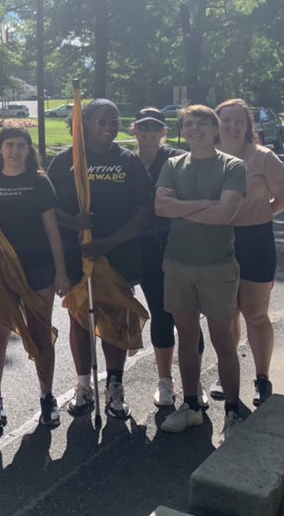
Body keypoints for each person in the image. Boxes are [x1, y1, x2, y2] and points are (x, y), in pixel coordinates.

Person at [47, 99, 151, 420]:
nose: (109, 125)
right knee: (80, 320)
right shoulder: (65, 161)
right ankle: (83, 386)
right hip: (76, 254)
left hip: (117, 256)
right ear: (86, 123)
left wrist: (109, 242)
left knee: (116, 319)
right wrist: (72, 222)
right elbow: (47, 210)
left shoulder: (128, 161)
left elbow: (144, 210)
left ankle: (115, 386)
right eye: (101, 120)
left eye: (114, 119)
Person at [156, 105, 246, 439]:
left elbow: (225, 215)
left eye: (202, 124)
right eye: (188, 124)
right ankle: (192, 406)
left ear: (215, 128)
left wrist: (183, 207)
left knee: (223, 340)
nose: (195, 130)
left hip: (218, 266)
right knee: (187, 338)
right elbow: (160, 208)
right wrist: (206, 204)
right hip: (177, 264)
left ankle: (233, 411)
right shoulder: (172, 165)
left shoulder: (232, 166)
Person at [0, 124, 69, 427]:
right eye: (9, 145)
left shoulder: (39, 183)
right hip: (1, 268)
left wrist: (60, 271)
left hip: (39, 267)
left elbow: (52, 229)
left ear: (28, 150)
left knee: (40, 332)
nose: (15, 151)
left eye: (21, 145)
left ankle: (47, 396)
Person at [215, 99, 284, 406]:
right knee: (226, 312)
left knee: (255, 312)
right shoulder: (208, 158)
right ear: (217, 125)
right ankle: (227, 374)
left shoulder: (264, 158)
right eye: (226, 120)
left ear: (248, 126)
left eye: (239, 121)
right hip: (218, 242)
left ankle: (262, 378)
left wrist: (257, 215)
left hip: (256, 240)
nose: (232, 126)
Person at [132, 107, 207, 409]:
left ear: (164, 132)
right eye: (143, 127)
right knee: (161, 315)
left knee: (188, 317)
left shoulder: (179, 159)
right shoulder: (128, 163)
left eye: (155, 127)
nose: (149, 132)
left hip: (181, 248)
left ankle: (194, 378)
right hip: (146, 252)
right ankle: (165, 381)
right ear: (134, 130)